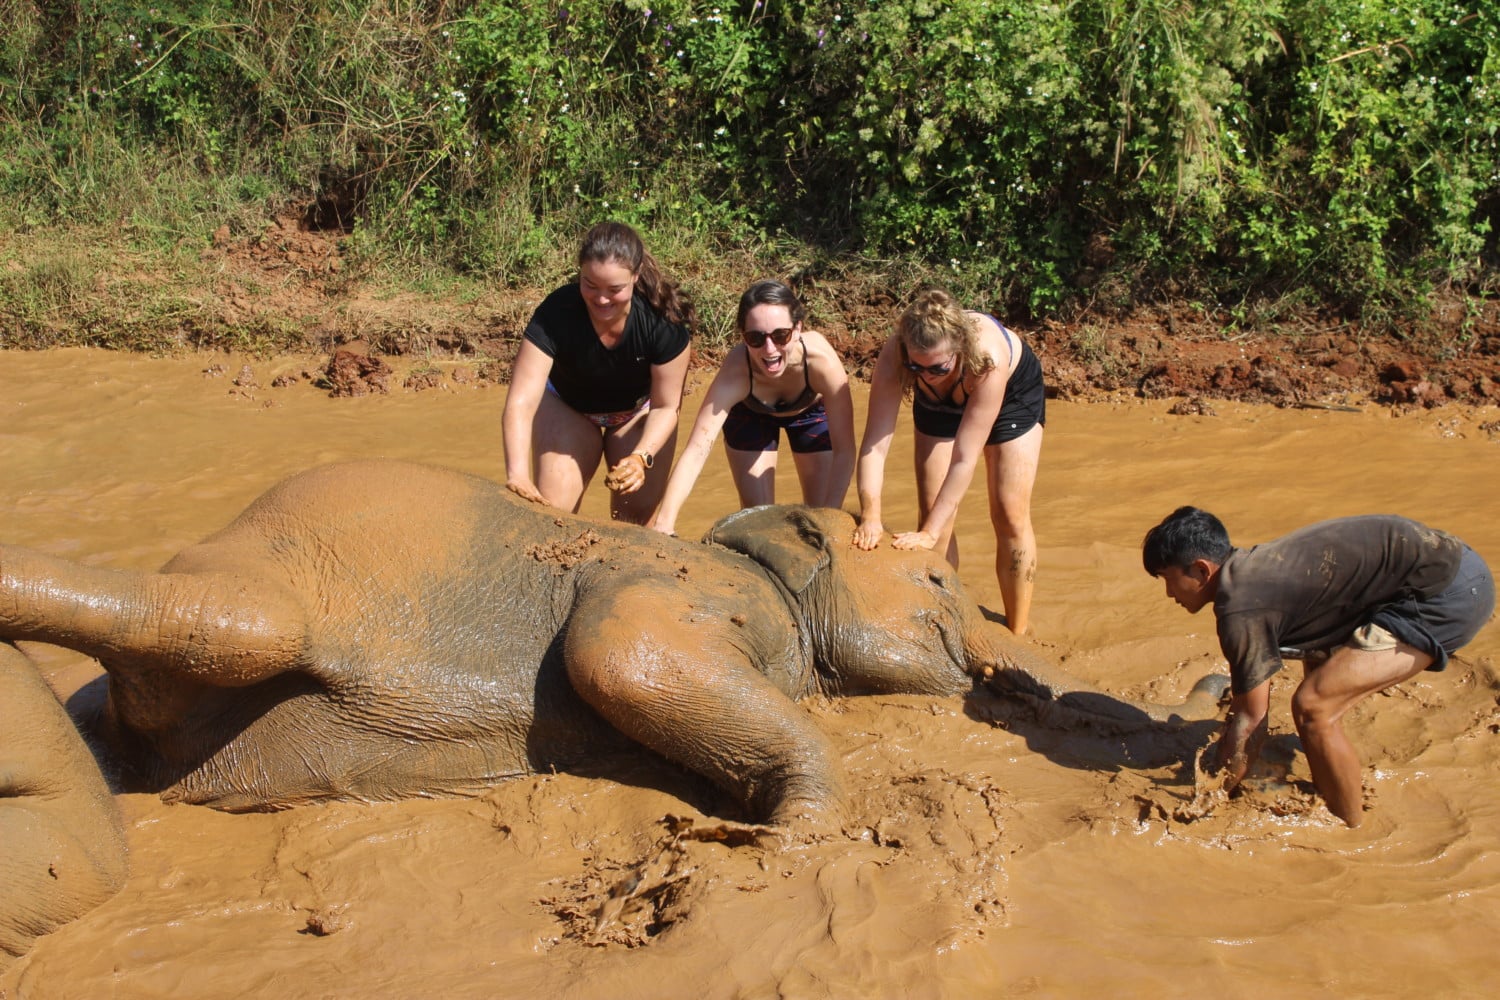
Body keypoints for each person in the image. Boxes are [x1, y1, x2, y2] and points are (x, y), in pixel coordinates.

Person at [1142, 506, 1495, 827]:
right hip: (1454, 562)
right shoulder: (1253, 569)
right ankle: (1332, 779)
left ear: (1201, 570)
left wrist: (1214, 795)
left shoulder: (1240, 609)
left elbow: (1251, 721)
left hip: (1446, 595)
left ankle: (1349, 827)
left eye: (1167, 578)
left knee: (1313, 706)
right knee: (1319, 683)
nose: (1169, 592)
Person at [852, 288, 1046, 635]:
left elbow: (964, 458)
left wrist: (928, 534)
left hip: (1010, 395)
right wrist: (871, 515)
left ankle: (1017, 634)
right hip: (938, 403)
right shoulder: (897, 355)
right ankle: (943, 623)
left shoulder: (987, 359)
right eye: (916, 367)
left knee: (1009, 513)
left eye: (937, 366)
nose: (926, 375)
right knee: (933, 515)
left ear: (959, 348)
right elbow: (874, 446)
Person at [502, 221, 695, 524]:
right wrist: (517, 474)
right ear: (580, 273)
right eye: (590, 285)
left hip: (636, 415)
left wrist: (641, 456)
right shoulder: (557, 311)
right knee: (553, 515)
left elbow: (667, 406)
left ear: (635, 275)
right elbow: (521, 401)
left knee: (632, 523)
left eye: (615, 289)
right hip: (568, 408)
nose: (601, 299)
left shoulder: (662, 321)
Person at [647, 280, 855, 536]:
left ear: (798, 328)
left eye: (780, 335)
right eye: (755, 338)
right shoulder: (736, 372)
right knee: (759, 523)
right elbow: (696, 451)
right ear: (743, 336)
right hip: (751, 416)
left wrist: (830, 519)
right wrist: (664, 522)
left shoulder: (821, 362)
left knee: (819, 517)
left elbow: (846, 450)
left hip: (809, 416)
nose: (769, 349)